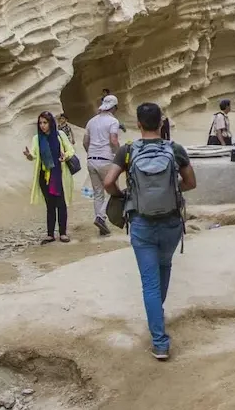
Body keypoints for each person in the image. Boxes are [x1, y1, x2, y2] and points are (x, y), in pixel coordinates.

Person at [103, 103, 196, 361]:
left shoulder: (128, 151)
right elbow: (191, 182)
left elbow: (109, 182)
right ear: (162, 122)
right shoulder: (175, 149)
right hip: (171, 223)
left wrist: (123, 196)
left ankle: (160, 341)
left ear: (139, 124)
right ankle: (158, 315)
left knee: (149, 283)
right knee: (164, 266)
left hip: (142, 223)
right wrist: (171, 189)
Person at [24, 111, 77, 243]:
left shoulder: (60, 135)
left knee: (61, 204)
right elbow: (34, 155)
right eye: (40, 123)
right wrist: (29, 155)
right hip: (45, 176)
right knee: (50, 205)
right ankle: (50, 234)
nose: (42, 126)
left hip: (59, 174)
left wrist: (66, 155)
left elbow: (70, 150)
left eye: (45, 123)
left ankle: (63, 233)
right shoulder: (37, 139)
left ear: (51, 123)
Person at [85, 95, 122, 237]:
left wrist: (90, 154)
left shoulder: (91, 121)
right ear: (113, 107)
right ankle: (101, 217)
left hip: (91, 160)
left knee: (98, 193)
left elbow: (85, 141)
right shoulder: (113, 121)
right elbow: (113, 140)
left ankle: (101, 224)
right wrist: (119, 154)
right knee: (113, 190)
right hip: (106, 159)